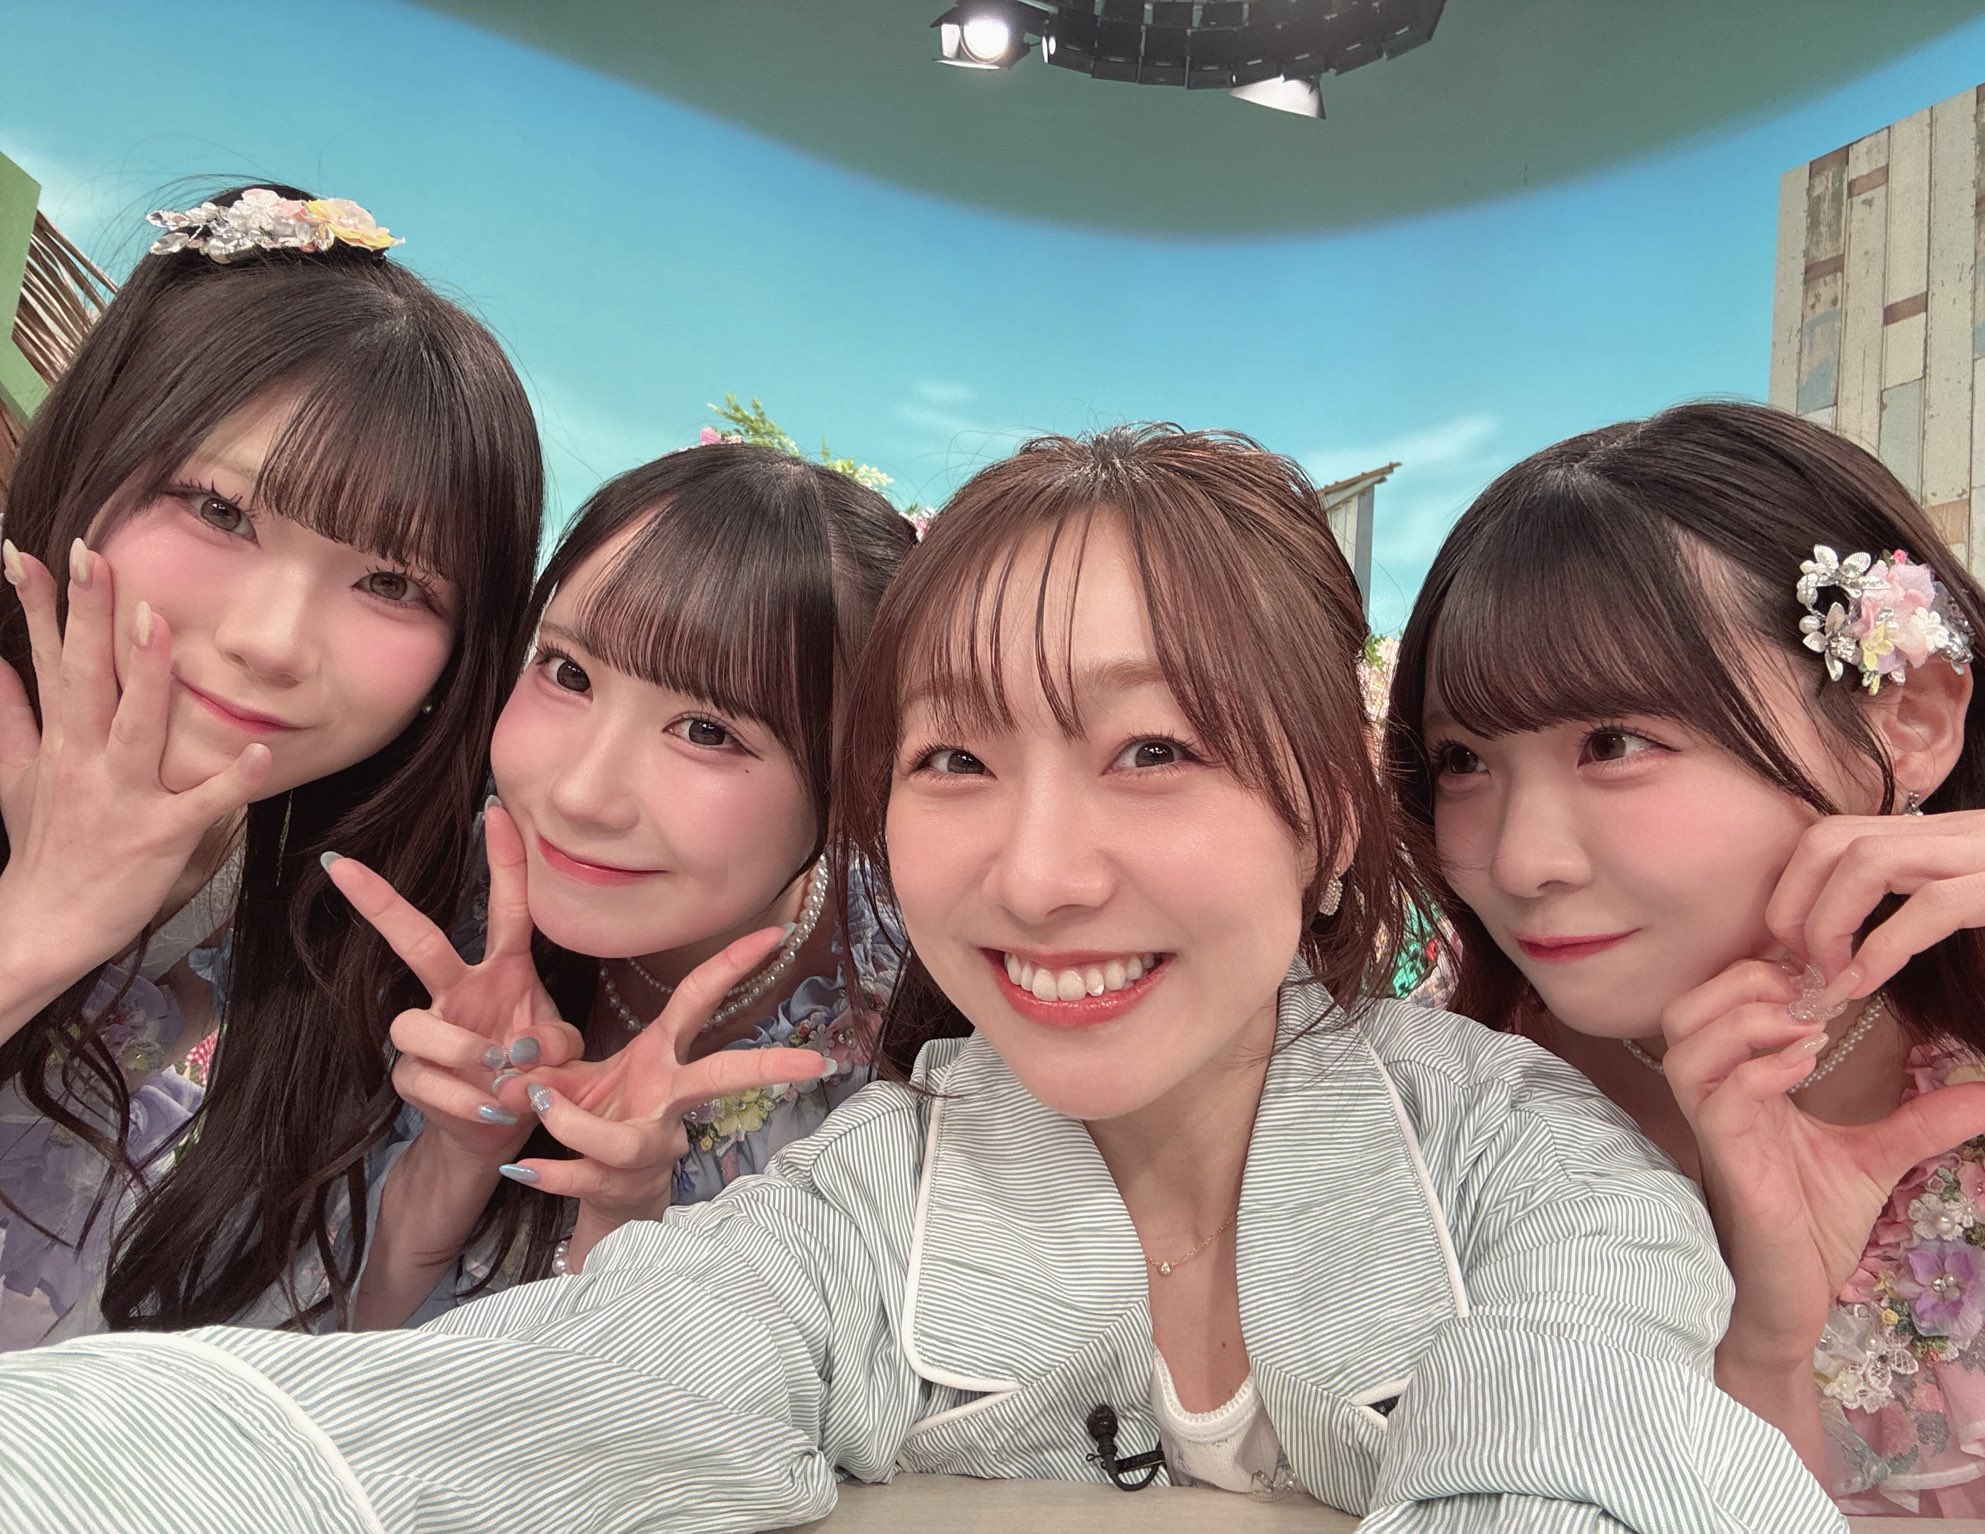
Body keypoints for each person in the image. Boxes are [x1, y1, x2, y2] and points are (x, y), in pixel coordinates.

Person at [0, 426, 1839, 1531]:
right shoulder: (855, 1193)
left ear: (1331, 813)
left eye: (1153, 749)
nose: (1036, 874)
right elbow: (533, 1400)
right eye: (955, 757)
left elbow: (1589, 1441)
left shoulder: (1535, 1168)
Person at [1384, 401, 1985, 1519]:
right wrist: (1764, 1358)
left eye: (1614, 743)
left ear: (1909, 721)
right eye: (1462, 760)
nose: (1520, 860)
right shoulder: (1415, 1107)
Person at [0, 185, 543, 1344]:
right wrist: (40, 926)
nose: (273, 641)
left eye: (391, 582)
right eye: (219, 508)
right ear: (94, 444)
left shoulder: (322, 881)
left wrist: (453, 1168)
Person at [325, 443, 914, 1326]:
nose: (578, 795)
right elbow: (343, 1346)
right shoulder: (442, 887)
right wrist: (460, 1149)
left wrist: (624, 1223)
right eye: (569, 672)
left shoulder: (917, 1032)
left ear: (858, 781)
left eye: (707, 731)